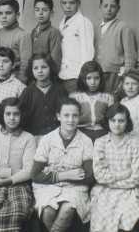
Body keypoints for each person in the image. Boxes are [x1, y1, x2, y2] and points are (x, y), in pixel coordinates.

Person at [31, 98, 94, 232]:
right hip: (47, 187)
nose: (70, 120)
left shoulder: (86, 141)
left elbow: (89, 177)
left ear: (79, 117)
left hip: (75, 187)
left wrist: (53, 174)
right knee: (47, 211)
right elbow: (35, 175)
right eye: (66, 115)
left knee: (67, 209)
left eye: (75, 115)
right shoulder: (47, 139)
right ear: (58, 116)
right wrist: (67, 174)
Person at [0, 97, 36, 232]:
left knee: (16, 213)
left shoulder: (28, 138)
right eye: (8, 114)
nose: (12, 118)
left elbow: (28, 170)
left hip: (19, 184)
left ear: (22, 115)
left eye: (16, 114)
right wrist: (9, 174)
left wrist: (9, 179)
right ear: (2, 116)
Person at [91, 103, 139, 232]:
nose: (117, 124)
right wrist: (124, 174)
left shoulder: (135, 143)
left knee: (127, 215)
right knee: (102, 212)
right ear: (108, 121)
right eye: (113, 120)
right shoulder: (100, 142)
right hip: (104, 190)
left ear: (127, 122)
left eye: (121, 120)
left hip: (129, 191)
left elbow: (136, 177)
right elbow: (99, 175)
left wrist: (112, 182)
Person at [93, 0, 136, 93]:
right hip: (98, 73)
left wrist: (125, 77)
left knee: (113, 101)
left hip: (115, 74)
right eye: (105, 6)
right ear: (100, 7)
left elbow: (130, 55)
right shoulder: (96, 27)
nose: (109, 9)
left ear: (118, 8)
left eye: (112, 6)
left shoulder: (123, 27)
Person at [19, 53, 68, 139]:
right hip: (33, 137)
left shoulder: (60, 90)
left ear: (51, 68)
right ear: (31, 70)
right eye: (35, 68)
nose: (40, 71)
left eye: (44, 67)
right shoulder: (28, 92)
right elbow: (21, 116)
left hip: (56, 137)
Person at [59, 0, 94, 93]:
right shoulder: (62, 23)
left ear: (78, 3)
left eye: (71, 3)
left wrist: (83, 77)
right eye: (64, 3)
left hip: (76, 76)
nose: (68, 6)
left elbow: (88, 52)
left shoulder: (83, 22)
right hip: (62, 75)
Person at [70, 61, 114, 142]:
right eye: (89, 78)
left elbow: (112, 119)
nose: (93, 82)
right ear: (83, 79)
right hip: (81, 132)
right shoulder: (75, 97)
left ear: (101, 79)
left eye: (96, 78)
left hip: (102, 133)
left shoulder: (107, 97)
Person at [0, 0, 32, 83]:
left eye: (8, 13)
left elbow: (25, 63)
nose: (4, 16)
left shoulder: (23, 35)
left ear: (17, 15)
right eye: (1, 13)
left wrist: (20, 82)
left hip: (14, 79)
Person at [116, 68, 139, 145]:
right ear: (122, 85)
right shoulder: (123, 101)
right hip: (124, 142)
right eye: (127, 84)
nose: (130, 87)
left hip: (137, 143)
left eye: (134, 84)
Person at [31, 0, 62, 70]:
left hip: (47, 73)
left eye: (45, 10)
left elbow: (55, 60)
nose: (40, 13)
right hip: (34, 72)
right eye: (37, 10)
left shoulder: (54, 32)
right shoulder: (33, 32)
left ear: (51, 13)